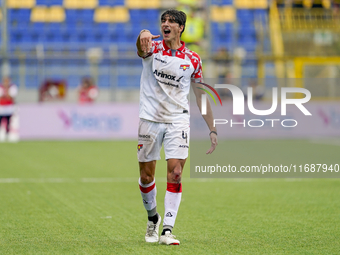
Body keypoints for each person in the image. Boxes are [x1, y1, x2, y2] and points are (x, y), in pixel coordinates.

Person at [136, 9, 217, 245]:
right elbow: (141, 47)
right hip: (150, 119)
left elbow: (201, 96)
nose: (166, 24)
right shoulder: (152, 47)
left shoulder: (193, 59)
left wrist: (212, 129)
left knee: (176, 172)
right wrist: (142, 33)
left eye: (171, 21)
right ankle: (153, 218)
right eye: (163, 21)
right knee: (145, 176)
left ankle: (167, 231)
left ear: (181, 28)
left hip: (178, 121)